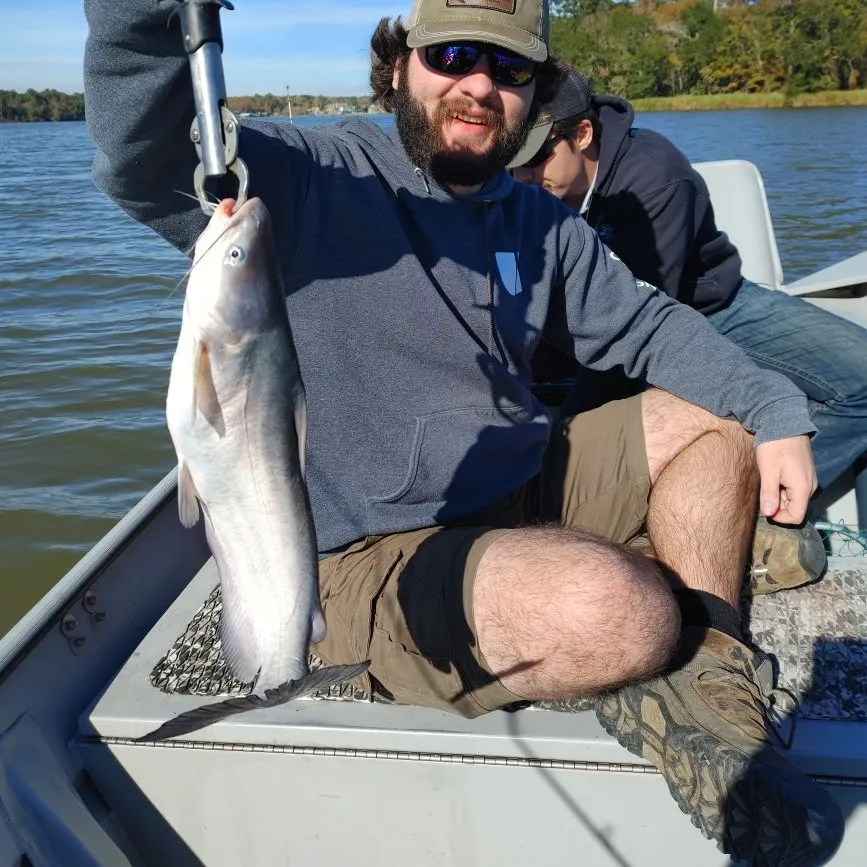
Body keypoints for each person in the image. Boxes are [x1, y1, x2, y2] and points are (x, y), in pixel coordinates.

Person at [83, 0, 843, 862]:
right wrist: (139, 14)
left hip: (516, 481)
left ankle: (709, 671)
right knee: (617, 608)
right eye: (452, 55)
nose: (479, 85)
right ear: (400, 64)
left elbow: (650, 330)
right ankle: (643, 632)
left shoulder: (537, 221)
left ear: (536, 91)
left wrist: (773, 409)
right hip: (372, 550)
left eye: (510, 69)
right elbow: (142, 161)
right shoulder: (306, 175)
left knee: (718, 426)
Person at [512, 68, 867, 594]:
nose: (521, 177)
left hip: (710, 305)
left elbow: (641, 329)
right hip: (591, 332)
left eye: (537, 158)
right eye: (512, 161)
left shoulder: (655, 177)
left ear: (581, 135)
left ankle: (757, 510)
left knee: (860, 383)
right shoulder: (521, 187)